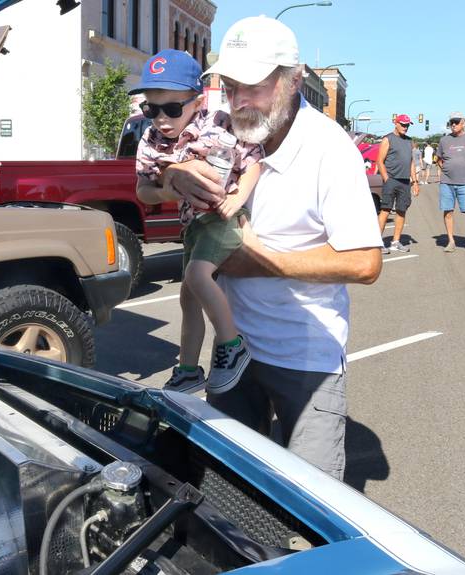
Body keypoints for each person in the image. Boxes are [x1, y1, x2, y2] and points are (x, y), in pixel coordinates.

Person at [160, 16, 382, 480]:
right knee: (233, 491)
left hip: (306, 359)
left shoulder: (329, 149)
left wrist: (261, 264)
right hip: (234, 354)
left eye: (255, 86)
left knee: (314, 503)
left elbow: (364, 262)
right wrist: (173, 176)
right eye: (231, 85)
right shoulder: (224, 128)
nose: (239, 100)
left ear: (293, 79)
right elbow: (159, 173)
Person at [132, 49, 261, 395]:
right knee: (188, 298)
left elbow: (253, 162)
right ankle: (188, 371)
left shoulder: (220, 124)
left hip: (222, 218)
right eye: (151, 108)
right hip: (192, 225)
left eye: (172, 109)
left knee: (196, 275)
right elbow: (143, 189)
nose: (161, 119)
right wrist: (166, 189)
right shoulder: (150, 140)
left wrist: (238, 197)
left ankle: (233, 347)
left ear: (198, 101)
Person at [437, 113, 465, 254]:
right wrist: (445, 169)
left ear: (463, 123)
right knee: (448, 211)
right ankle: (451, 241)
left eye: (456, 122)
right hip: (447, 183)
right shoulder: (444, 140)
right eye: (451, 122)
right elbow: (439, 159)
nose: (454, 125)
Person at [376, 115, 419, 254]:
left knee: (402, 211)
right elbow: (380, 161)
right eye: (402, 124)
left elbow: (411, 162)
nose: (405, 127)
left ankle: (395, 242)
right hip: (391, 180)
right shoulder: (388, 139)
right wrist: (387, 179)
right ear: (396, 123)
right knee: (385, 210)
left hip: (405, 182)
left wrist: (415, 181)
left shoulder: (409, 141)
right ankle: (377, 243)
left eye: (407, 125)